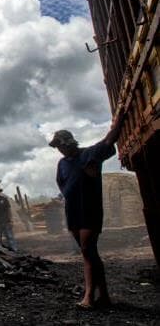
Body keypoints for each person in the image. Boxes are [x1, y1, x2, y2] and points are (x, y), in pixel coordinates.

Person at [51, 120, 122, 309]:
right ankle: (104, 296)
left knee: (87, 250)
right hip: (72, 211)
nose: (59, 149)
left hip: (89, 210)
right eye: (56, 147)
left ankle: (89, 297)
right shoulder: (62, 163)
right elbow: (61, 182)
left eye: (60, 145)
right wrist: (68, 193)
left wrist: (120, 119)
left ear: (69, 142)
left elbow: (109, 141)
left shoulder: (88, 154)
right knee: (89, 254)